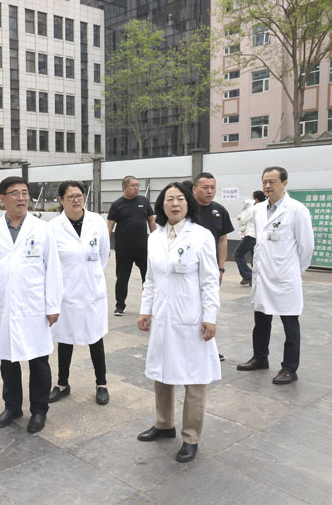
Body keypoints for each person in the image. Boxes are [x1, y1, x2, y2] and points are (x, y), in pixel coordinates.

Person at [136, 182, 221, 463]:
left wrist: (210, 317)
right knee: (162, 373)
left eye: (180, 199)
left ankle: (191, 436)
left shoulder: (201, 236)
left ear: (188, 203)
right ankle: (164, 424)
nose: (175, 204)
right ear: (162, 205)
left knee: (194, 379)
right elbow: (151, 279)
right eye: (169, 199)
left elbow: (210, 281)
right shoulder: (154, 237)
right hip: (163, 317)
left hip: (191, 318)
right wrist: (145, 310)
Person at [0, 176, 63, 434]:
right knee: (8, 361)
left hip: (35, 306)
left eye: (25, 193)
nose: (22, 198)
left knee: (38, 361)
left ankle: (39, 410)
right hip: (5, 306)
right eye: (15, 193)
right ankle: (12, 407)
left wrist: (53, 305)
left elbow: (53, 270)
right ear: (2, 198)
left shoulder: (42, 229)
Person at [236, 167, 314, 385]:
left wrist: (296, 270)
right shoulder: (259, 209)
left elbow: (306, 246)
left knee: (290, 324)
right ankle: (260, 357)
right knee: (261, 320)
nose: (267, 186)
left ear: (285, 183)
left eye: (272, 182)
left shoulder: (297, 210)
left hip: (285, 276)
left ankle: (289, 368)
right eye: (264, 182)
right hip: (263, 275)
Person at [48, 181, 112, 405]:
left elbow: (103, 254)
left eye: (79, 195)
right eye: (71, 196)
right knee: (65, 339)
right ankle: (62, 384)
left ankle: (101, 384)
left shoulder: (97, 222)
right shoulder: (53, 227)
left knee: (95, 338)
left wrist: (90, 275)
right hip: (67, 293)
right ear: (61, 200)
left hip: (92, 290)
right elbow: (51, 262)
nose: (76, 200)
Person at [192, 172, 234, 362]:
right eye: (205, 187)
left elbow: (223, 240)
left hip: (211, 271)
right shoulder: (186, 210)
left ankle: (208, 348)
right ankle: (190, 347)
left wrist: (221, 268)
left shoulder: (219, 211)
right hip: (189, 270)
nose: (209, 191)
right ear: (194, 189)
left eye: (213, 187)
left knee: (209, 308)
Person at [107, 176, 156, 316]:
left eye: (138, 185)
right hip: (124, 248)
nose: (136, 188)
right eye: (133, 185)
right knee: (122, 278)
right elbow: (110, 225)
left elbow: (151, 221)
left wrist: (156, 240)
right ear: (124, 187)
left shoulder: (144, 201)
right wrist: (106, 246)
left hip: (143, 247)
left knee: (148, 278)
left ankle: (149, 306)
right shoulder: (117, 205)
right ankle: (120, 306)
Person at [234, 191, 266, 286]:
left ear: (256, 199)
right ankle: (256, 278)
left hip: (251, 235)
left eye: (252, 197)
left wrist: (244, 210)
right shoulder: (265, 207)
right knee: (255, 258)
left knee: (237, 254)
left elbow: (243, 220)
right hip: (260, 236)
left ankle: (248, 275)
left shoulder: (253, 208)